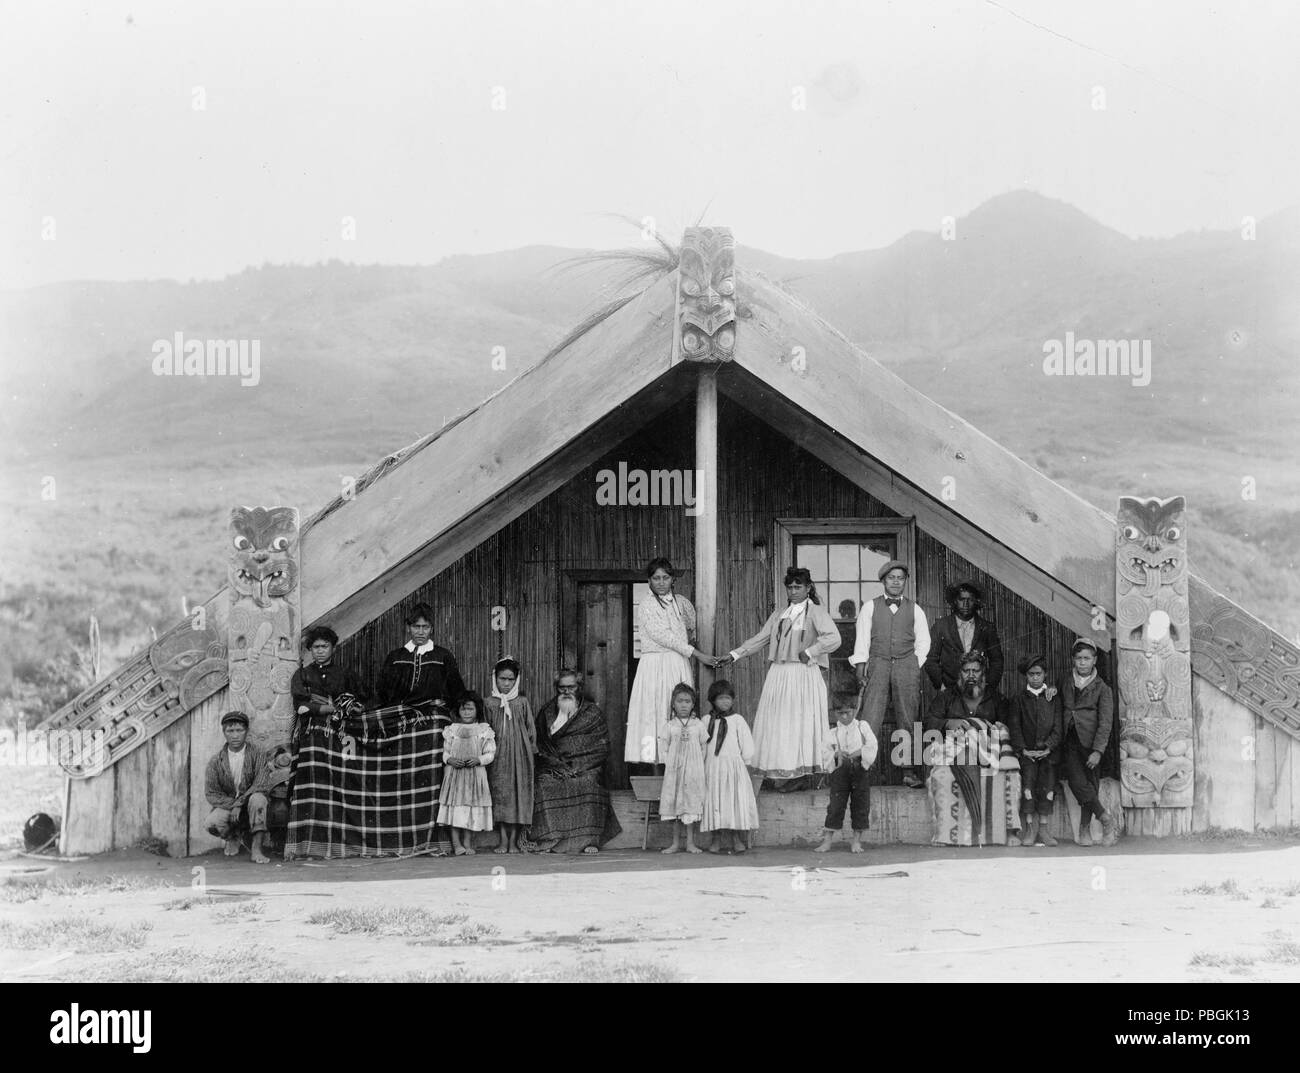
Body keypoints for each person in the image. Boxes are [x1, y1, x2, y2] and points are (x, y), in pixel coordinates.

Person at [717, 566, 841, 790]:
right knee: (777, 723)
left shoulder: (816, 612)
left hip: (803, 674)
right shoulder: (779, 614)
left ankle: (800, 776)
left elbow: (834, 638)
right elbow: (760, 639)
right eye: (790, 587)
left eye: (798, 587)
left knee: (798, 724)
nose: (793, 591)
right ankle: (779, 773)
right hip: (779, 674)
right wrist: (734, 654)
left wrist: (811, 651)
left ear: (808, 588)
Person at [923, 652, 1023, 847]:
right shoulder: (946, 697)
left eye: (975, 671)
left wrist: (983, 729)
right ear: (960, 673)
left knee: (1009, 775)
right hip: (954, 756)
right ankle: (946, 835)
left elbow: (1007, 725)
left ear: (983, 673)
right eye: (966, 670)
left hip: (988, 756)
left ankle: (1008, 833)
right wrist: (949, 722)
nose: (971, 675)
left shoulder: (995, 698)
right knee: (943, 777)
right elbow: (929, 723)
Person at [625, 558, 716, 769]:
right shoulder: (647, 605)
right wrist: (697, 654)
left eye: (665, 577)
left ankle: (679, 766)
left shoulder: (682, 602)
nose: (661, 582)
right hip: (655, 665)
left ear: (672, 579)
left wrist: (690, 644)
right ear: (649, 581)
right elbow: (664, 637)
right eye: (656, 578)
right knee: (653, 714)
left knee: (679, 711)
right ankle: (655, 769)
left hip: (677, 663)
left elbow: (691, 628)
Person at [850, 559, 931, 788]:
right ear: (884, 581)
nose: (896, 582)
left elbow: (924, 641)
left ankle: (908, 771)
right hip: (878, 662)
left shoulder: (915, 609)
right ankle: (862, 769)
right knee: (870, 717)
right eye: (891, 578)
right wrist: (860, 668)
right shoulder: (870, 607)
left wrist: (914, 663)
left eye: (900, 578)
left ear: (905, 581)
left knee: (908, 716)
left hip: (907, 663)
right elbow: (862, 640)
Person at [529, 669, 623, 853]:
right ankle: (550, 839)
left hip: (586, 767)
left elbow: (601, 746)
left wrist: (578, 766)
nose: (566, 692)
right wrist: (558, 765)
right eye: (561, 687)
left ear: (579, 687)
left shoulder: (592, 713)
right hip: (554, 767)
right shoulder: (547, 712)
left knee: (588, 784)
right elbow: (539, 744)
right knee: (544, 784)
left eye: (570, 687)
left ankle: (588, 841)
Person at [1060, 637, 1119, 847]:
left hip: (1092, 742)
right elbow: (1057, 697)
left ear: (1094, 660)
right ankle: (1106, 818)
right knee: (1077, 781)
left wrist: (1098, 751)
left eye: (1087, 658)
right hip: (1070, 740)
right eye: (1078, 658)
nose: (1082, 662)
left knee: (1090, 785)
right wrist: (1050, 690)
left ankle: (1084, 829)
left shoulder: (1103, 688)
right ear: (1073, 660)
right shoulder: (1066, 681)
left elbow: (1105, 723)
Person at [1006, 654, 1063, 847]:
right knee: (1028, 787)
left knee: (1048, 787)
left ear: (1045, 674)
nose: (1035, 678)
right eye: (1031, 674)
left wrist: (1049, 747)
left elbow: (1058, 726)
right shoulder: (1019, 699)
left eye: (1039, 673)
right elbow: (1015, 726)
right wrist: (1023, 750)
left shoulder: (1053, 698)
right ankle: (1030, 828)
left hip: (1048, 754)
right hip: (1027, 755)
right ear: (1026, 676)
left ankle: (1044, 829)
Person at [701, 680, 759, 854]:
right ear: (713, 700)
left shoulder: (737, 720)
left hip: (733, 768)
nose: (725, 702)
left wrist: (746, 761)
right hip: (713, 768)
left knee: (733, 803)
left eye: (728, 698)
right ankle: (716, 838)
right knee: (714, 802)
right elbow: (702, 745)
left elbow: (747, 744)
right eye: (721, 698)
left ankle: (736, 839)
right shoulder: (706, 720)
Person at [204, 711, 271, 864]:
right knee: (210, 823)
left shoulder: (257, 754)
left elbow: (261, 783)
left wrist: (240, 803)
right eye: (230, 731)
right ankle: (233, 837)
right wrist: (234, 805)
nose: (235, 735)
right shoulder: (216, 761)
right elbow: (212, 793)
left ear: (246, 732)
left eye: (239, 730)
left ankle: (256, 848)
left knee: (258, 799)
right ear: (224, 733)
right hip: (231, 807)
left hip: (251, 804)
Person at [486, 656, 536, 854]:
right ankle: (503, 840)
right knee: (500, 795)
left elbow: (530, 729)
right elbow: (486, 730)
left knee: (518, 796)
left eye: (510, 679)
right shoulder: (489, 703)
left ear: (517, 680)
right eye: (502, 679)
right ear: (494, 679)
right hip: (497, 756)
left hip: (520, 756)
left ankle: (514, 840)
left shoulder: (521, 702)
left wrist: (531, 753)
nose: (506, 684)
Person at [375, 603, 465, 711]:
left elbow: (457, 691)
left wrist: (446, 704)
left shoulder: (443, 656)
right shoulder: (395, 657)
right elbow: (382, 692)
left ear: (431, 629)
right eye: (416, 627)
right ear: (408, 628)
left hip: (434, 714)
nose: (421, 632)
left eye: (425, 627)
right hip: (399, 715)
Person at [814, 705, 879, 854]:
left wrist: (859, 752)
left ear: (854, 711)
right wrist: (836, 754)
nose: (844, 717)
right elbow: (825, 751)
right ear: (835, 713)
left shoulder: (863, 727)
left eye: (847, 713)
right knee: (835, 806)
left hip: (860, 770)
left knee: (860, 805)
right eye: (840, 713)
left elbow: (872, 745)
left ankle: (856, 841)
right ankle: (827, 841)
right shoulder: (832, 733)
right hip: (840, 773)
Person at [439, 692, 497, 855]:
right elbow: (444, 752)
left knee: (470, 809)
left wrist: (479, 760)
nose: (466, 712)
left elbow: (490, 753)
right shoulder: (451, 730)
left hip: (475, 776)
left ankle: (467, 842)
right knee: (456, 809)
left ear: (477, 710)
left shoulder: (483, 730)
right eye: (463, 709)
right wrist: (449, 759)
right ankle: (457, 844)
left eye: (470, 709)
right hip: (455, 776)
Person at [924, 581, 1005, 696]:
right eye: (962, 599)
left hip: (979, 690)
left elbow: (997, 660)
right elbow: (931, 659)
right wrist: (941, 685)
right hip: (950, 689)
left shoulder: (987, 627)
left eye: (970, 600)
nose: (966, 604)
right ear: (955, 601)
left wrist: (988, 687)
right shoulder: (941, 626)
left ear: (976, 601)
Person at [290, 625, 367, 746]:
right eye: (316, 647)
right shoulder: (302, 674)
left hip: (341, 732)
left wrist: (354, 707)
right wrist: (332, 708)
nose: (320, 651)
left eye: (324, 646)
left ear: (333, 648)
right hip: (312, 731)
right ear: (310, 649)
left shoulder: (345, 674)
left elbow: (362, 700)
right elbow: (300, 706)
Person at [658, 683, 709, 854]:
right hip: (675, 771)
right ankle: (675, 843)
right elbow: (663, 747)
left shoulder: (698, 725)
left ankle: (690, 843)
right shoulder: (670, 726)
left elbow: (704, 746)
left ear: (693, 704)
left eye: (687, 701)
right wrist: (671, 763)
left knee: (690, 805)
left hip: (693, 771)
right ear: (673, 703)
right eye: (680, 701)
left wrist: (697, 764)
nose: (684, 705)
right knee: (675, 806)